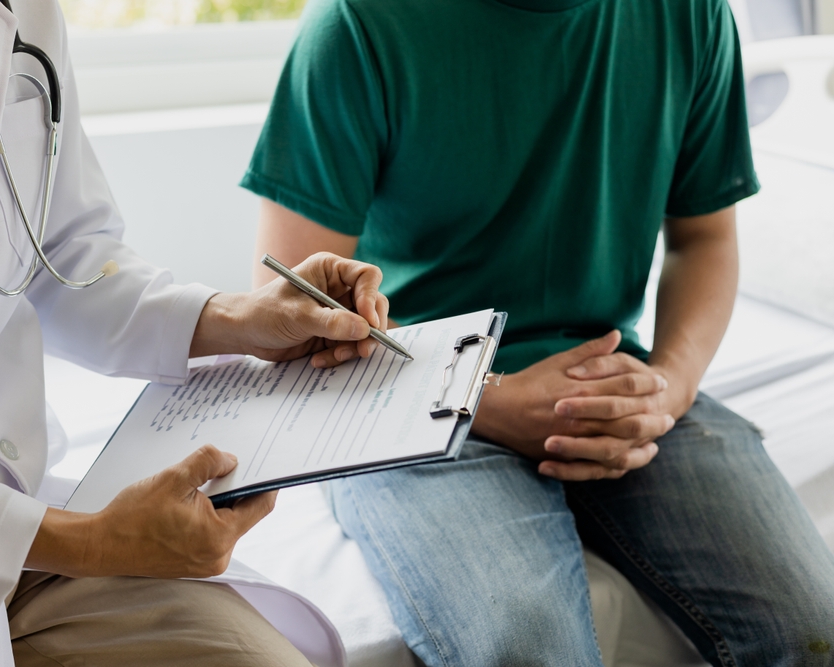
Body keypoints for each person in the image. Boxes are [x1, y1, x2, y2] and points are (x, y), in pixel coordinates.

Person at [243, 0, 834, 663]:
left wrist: (668, 386)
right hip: (405, 397)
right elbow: (297, 303)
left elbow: (704, 240)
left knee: (818, 631)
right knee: (529, 649)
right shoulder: (358, 24)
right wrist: (484, 395)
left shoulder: (691, 16)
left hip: (615, 382)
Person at [0, 0, 390, 665]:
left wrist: (236, 318)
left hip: (26, 527)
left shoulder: (16, 12)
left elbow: (63, 251)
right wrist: (91, 540)